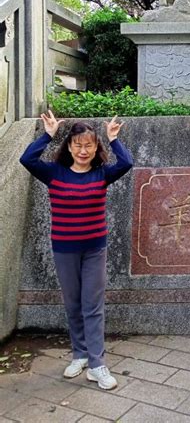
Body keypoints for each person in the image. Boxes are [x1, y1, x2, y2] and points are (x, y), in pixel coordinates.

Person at [19, 110, 133, 390]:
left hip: (95, 249)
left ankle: (97, 365)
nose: (84, 150)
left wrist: (113, 139)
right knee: (73, 305)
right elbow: (27, 159)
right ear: (69, 147)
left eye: (89, 145)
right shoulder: (53, 173)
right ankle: (80, 354)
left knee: (92, 307)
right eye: (78, 145)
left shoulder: (102, 174)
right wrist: (48, 134)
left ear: (96, 149)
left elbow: (127, 162)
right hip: (65, 249)